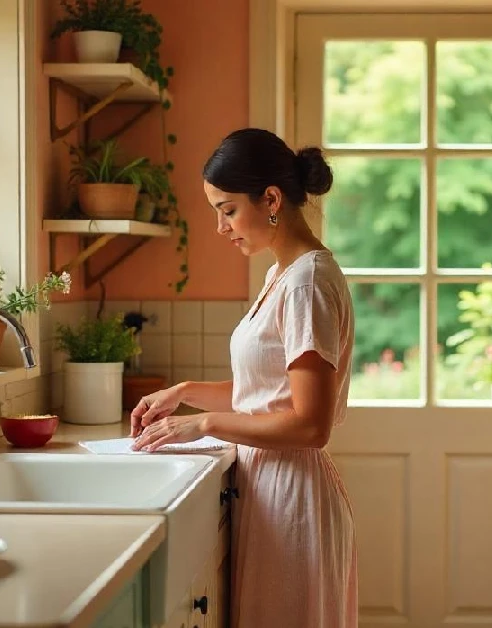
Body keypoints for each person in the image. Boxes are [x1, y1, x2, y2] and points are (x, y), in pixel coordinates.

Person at [128, 127, 358, 628]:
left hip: (292, 504)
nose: (219, 227)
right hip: (273, 494)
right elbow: (270, 394)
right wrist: (185, 394)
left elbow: (309, 425)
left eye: (228, 209)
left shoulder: (307, 283)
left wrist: (206, 423)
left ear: (271, 199)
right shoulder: (284, 274)